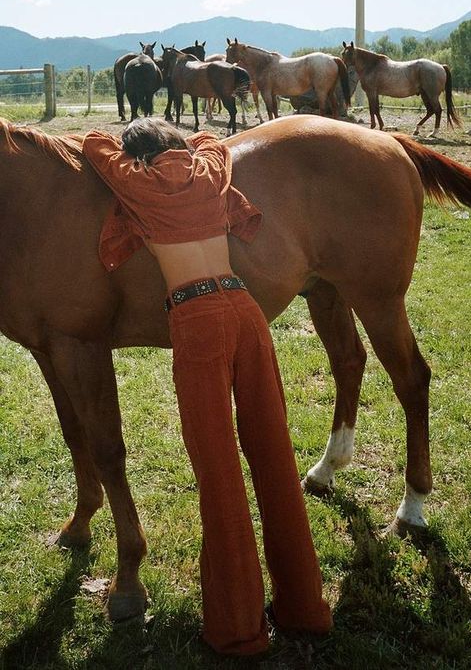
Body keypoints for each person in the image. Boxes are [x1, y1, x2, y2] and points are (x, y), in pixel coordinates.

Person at [82, 118, 332, 655]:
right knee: (273, 453)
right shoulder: (210, 169)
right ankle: (304, 608)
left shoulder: (136, 180)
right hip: (247, 311)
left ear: (141, 158)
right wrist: (186, 144)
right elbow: (213, 142)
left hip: (197, 319)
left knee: (219, 472)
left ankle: (239, 629)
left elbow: (93, 144)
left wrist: (136, 156)